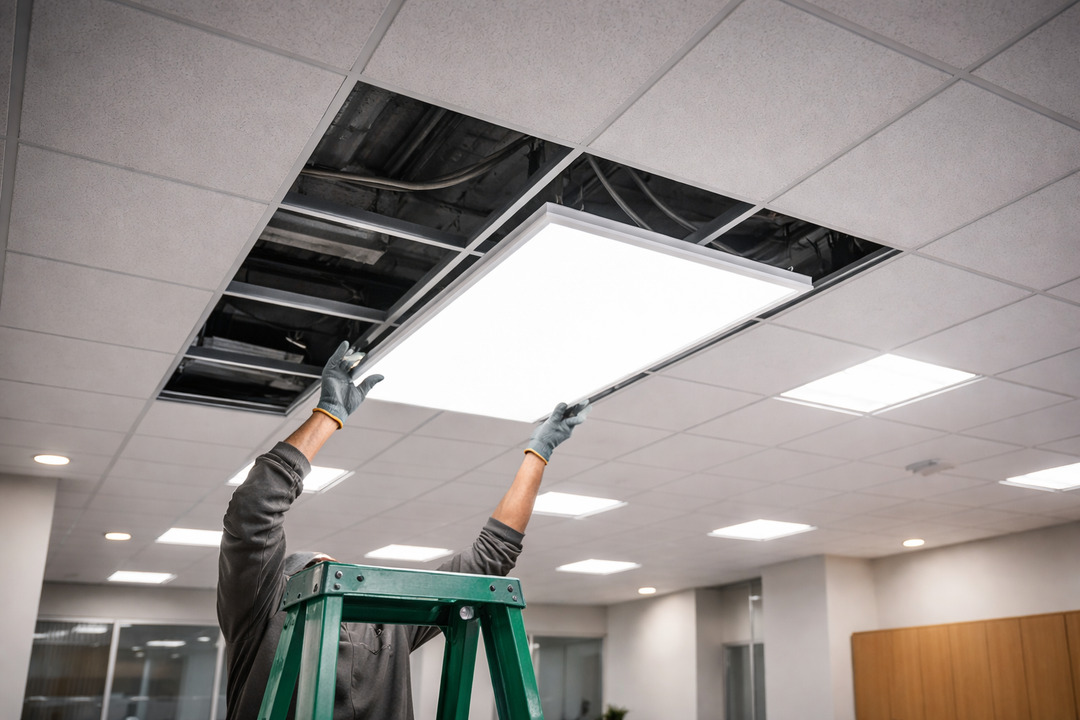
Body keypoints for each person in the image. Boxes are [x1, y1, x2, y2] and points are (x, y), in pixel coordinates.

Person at [217, 342, 589, 720]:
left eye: (345, 574)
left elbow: (491, 557)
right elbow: (253, 511)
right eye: (321, 570)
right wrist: (326, 414)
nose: (339, 575)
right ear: (291, 581)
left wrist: (539, 453)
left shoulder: (388, 624)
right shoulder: (263, 609)